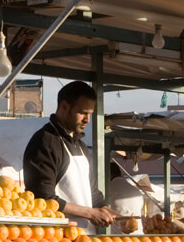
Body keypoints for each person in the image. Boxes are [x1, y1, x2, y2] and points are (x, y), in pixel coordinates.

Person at [23, 81, 116, 232]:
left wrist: (115, 216)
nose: (87, 119)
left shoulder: (81, 145)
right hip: (57, 241)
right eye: (83, 113)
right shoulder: (44, 142)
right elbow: (42, 198)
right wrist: (90, 213)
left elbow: (94, 195)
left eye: (90, 114)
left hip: (85, 240)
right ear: (64, 107)